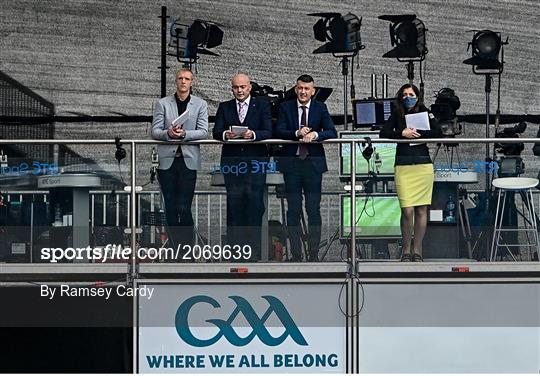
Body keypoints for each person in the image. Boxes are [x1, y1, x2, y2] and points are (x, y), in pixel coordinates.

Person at [275, 74, 337, 262]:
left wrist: (316, 134)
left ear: (313, 91)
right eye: (300, 88)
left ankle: (313, 254)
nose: (303, 91)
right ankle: (295, 255)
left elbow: (331, 131)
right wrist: (296, 133)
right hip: (292, 164)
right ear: (296, 89)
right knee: (293, 210)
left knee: (313, 209)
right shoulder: (286, 107)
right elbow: (278, 130)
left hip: (313, 165)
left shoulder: (320, 107)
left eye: (307, 89)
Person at [212, 73, 272, 261]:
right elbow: (216, 131)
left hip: (256, 163)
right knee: (235, 207)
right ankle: (235, 253)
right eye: (236, 87)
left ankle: (253, 252)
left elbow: (269, 130)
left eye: (243, 87)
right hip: (233, 163)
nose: (239, 90)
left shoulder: (262, 105)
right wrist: (225, 135)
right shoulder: (224, 106)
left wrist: (253, 135)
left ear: (249, 88)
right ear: (232, 89)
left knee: (255, 206)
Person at [379, 83, 441, 262]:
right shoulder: (397, 113)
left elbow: (438, 133)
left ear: (417, 95)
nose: (408, 97)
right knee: (407, 210)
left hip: (422, 165)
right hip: (403, 165)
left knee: (422, 209)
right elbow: (384, 133)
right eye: (404, 94)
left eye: (411, 94)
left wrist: (418, 133)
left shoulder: (425, 111)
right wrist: (402, 133)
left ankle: (417, 250)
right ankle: (406, 249)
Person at [151, 68, 208, 256]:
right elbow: (154, 131)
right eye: (180, 78)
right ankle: (175, 249)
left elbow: (203, 131)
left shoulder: (200, 104)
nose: (183, 81)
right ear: (175, 81)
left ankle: (186, 250)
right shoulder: (162, 104)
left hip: (187, 161)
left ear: (192, 82)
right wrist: (168, 133)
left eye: (187, 79)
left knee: (184, 206)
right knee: (170, 206)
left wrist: (185, 134)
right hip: (167, 161)